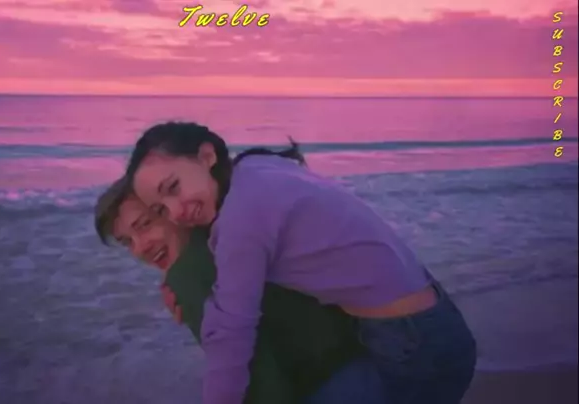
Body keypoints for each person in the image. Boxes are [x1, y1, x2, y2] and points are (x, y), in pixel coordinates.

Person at [123, 121, 478, 404]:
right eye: (160, 210)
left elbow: (231, 335)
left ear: (206, 156)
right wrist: (180, 274)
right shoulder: (256, 168)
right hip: (436, 320)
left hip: (413, 351)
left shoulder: (243, 218)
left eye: (173, 187)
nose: (175, 212)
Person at [94, 178, 385, 404]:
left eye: (145, 224)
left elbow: (255, 380)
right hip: (363, 360)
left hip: (328, 386)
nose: (140, 247)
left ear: (172, 209)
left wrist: (184, 282)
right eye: (127, 241)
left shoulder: (191, 273)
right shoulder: (228, 233)